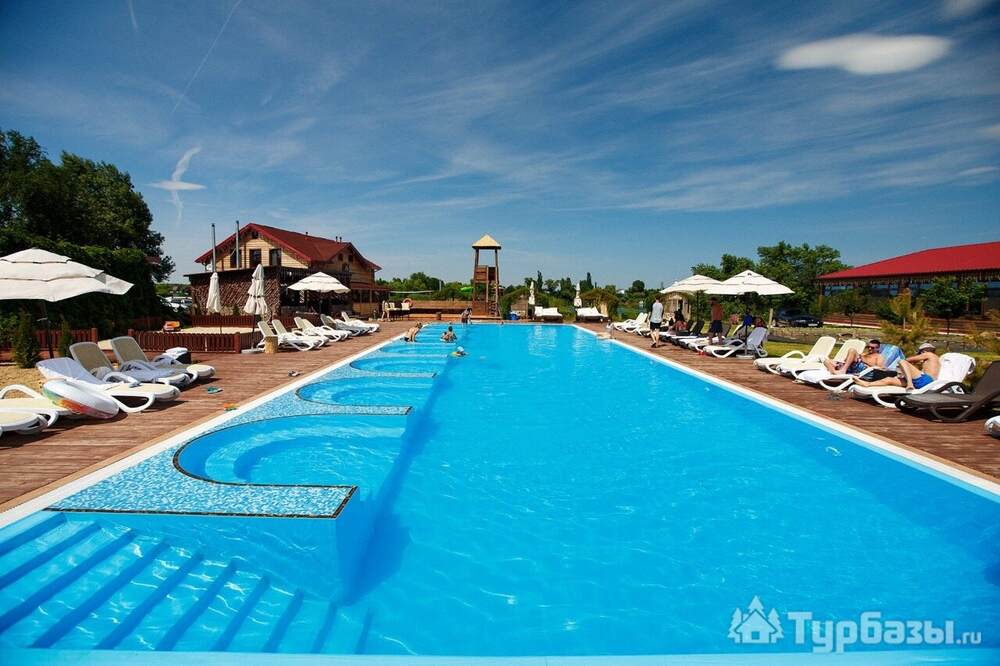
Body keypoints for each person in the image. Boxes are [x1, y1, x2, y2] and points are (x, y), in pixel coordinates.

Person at [855, 342, 941, 390]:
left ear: (923, 351)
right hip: (922, 382)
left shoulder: (929, 354)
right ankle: (867, 384)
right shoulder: (933, 359)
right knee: (889, 380)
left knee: (901, 361)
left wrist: (914, 360)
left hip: (926, 381)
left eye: (920, 353)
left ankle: (910, 384)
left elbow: (907, 360)